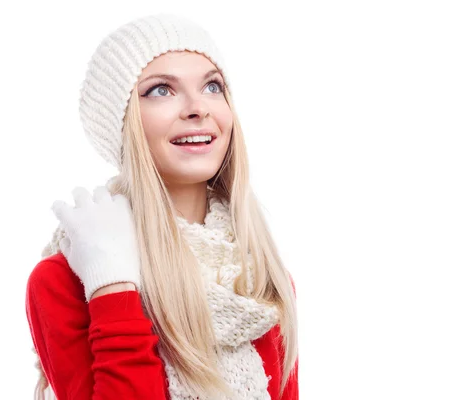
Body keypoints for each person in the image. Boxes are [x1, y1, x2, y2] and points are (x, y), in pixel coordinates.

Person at [25, 13, 299, 400]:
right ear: (121, 126)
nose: (197, 108)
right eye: (160, 91)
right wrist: (112, 285)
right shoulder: (63, 281)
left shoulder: (262, 281)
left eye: (212, 86)